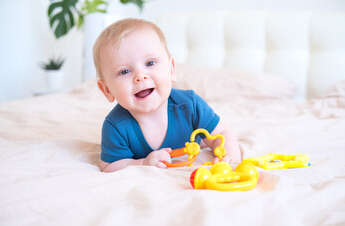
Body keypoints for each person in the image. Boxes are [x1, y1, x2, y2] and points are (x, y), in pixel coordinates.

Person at [93, 18, 242, 172]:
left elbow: (222, 134)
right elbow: (110, 166)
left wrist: (229, 157)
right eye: (124, 71)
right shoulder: (116, 126)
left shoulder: (190, 105)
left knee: (208, 137)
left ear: (171, 69)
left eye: (150, 63)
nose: (140, 76)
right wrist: (143, 163)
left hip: (195, 144)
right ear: (107, 90)